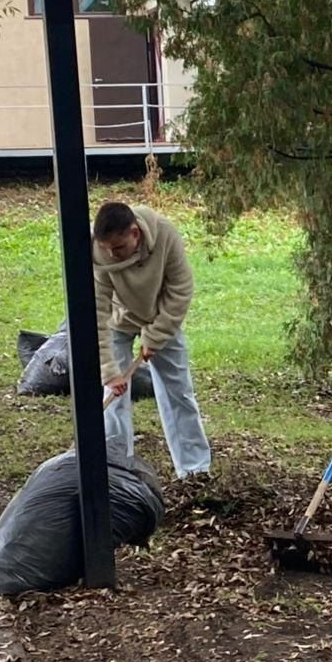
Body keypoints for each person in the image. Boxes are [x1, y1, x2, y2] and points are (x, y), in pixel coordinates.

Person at [92, 201, 211, 479]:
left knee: (178, 392)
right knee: (112, 396)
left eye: (118, 248)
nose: (112, 254)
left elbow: (180, 289)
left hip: (161, 317)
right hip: (119, 320)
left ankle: (194, 469)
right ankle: (116, 467)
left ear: (135, 233)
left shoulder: (165, 234)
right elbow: (96, 313)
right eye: (107, 249)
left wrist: (156, 335)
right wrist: (109, 372)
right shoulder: (98, 250)